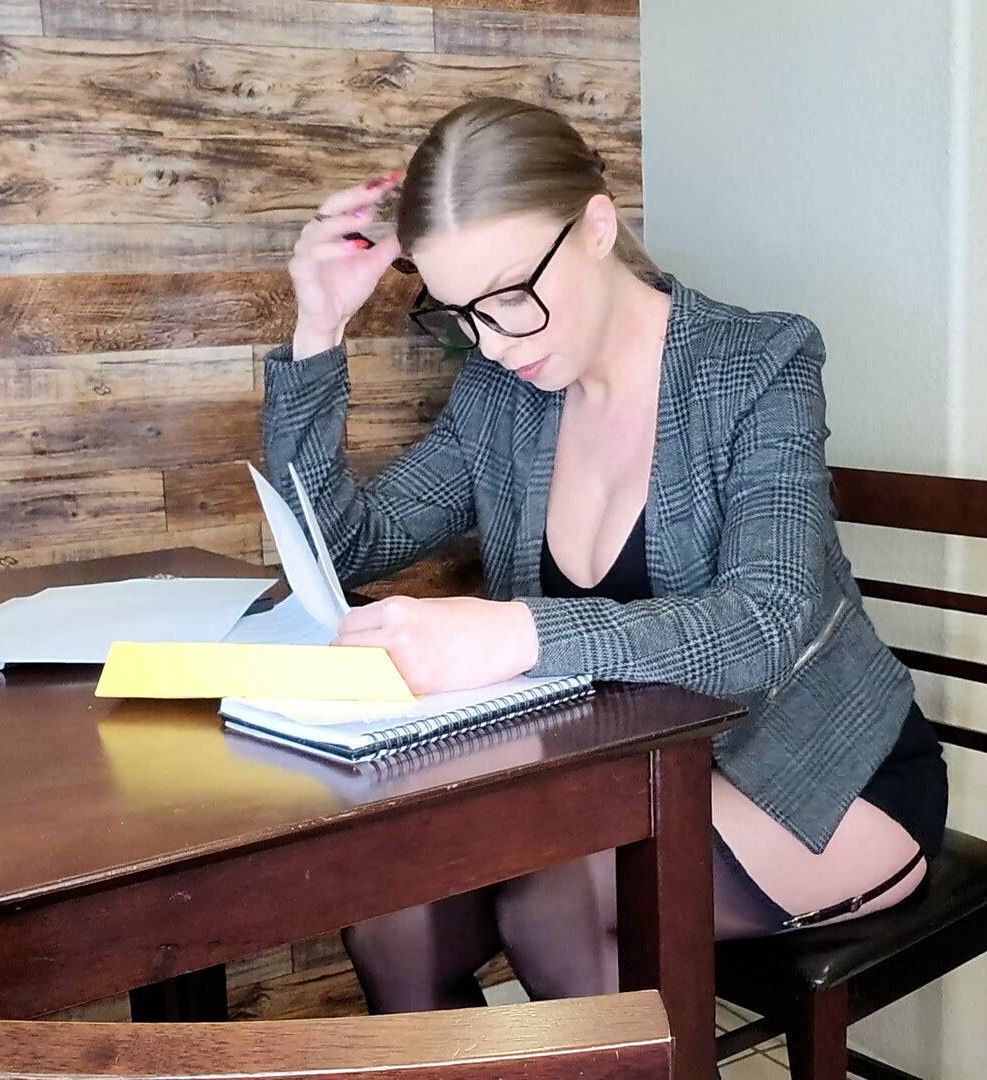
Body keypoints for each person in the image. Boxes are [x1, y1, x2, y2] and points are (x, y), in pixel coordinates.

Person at [265, 96, 947, 1012]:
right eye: (461, 314)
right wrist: (317, 331)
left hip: (807, 772)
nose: (492, 344)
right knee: (395, 908)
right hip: (621, 775)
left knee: (562, 904)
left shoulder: (758, 362)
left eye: (512, 297)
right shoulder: (503, 394)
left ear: (595, 227)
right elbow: (346, 545)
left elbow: (765, 622)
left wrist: (517, 634)